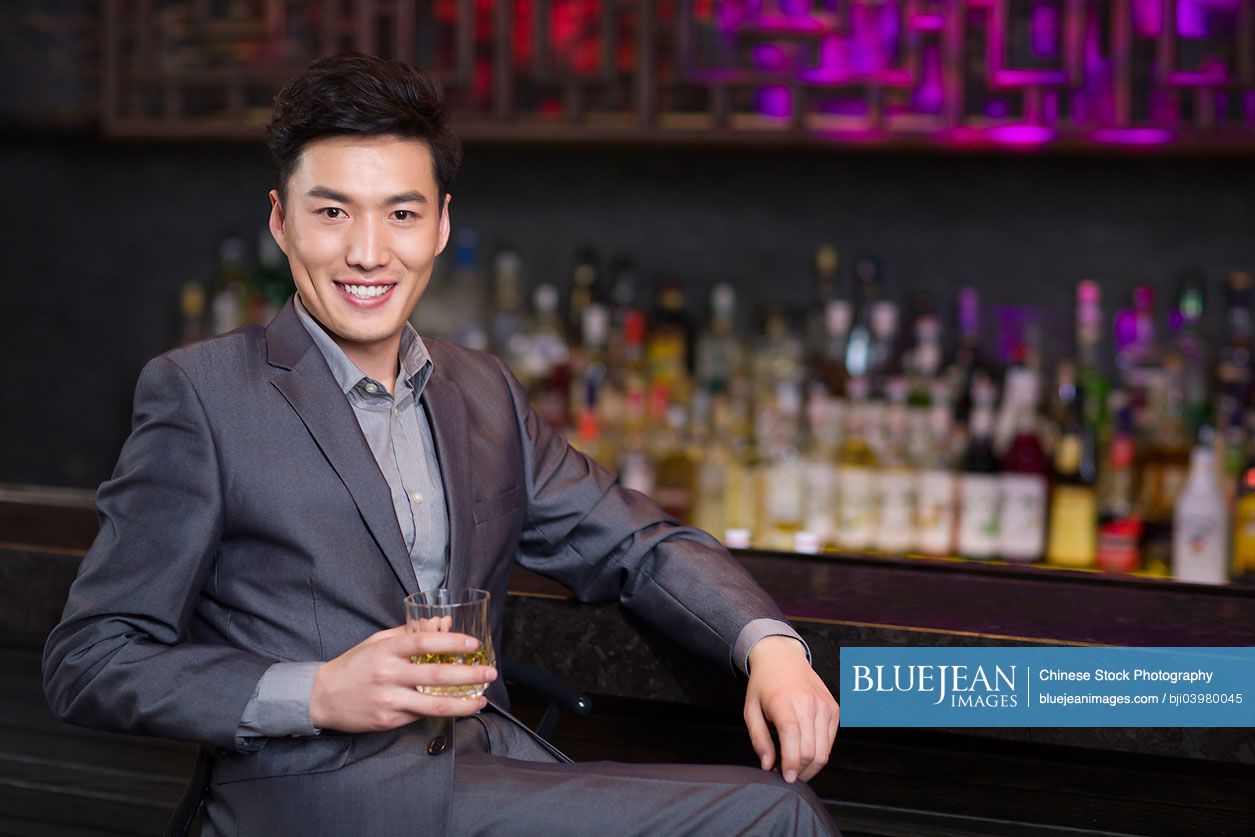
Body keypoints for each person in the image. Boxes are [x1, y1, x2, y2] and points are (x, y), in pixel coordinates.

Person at [43, 52, 839, 836]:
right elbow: (90, 657)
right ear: (281, 222)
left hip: (484, 768)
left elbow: (639, 542)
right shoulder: (202, 393)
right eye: (330, 212)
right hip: (319, 802)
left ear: (441, 224)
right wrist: (315, 691)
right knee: (775, 815)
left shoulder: (482, 389)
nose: (366, 251)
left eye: (400, 213)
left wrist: (767, 645)